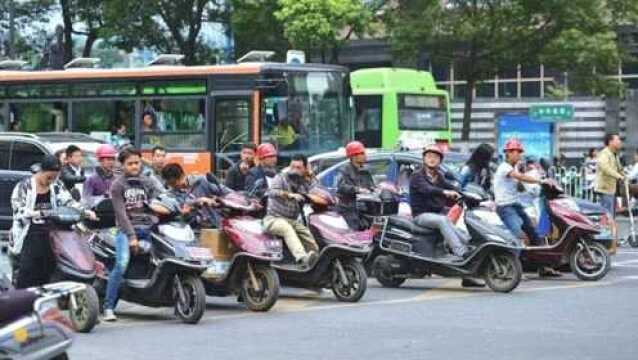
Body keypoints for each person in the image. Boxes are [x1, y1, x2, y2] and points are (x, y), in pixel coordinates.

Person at [10, 155, 96, 288]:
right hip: (28, 234)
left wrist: (85, 212)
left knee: (50, 268)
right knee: (28, 271)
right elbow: (19, 212)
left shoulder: (56, 185)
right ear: (41, 171)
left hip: (51, 233)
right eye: (48, 177)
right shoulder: (24, 186)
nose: (51, 181)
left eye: (54, 177)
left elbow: (69, 202)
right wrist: (39, 213)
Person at [103, 147, 160, 322]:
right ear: (123, 164)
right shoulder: (117, 185)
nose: (135, 166)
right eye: (130, 163)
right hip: (126, 230)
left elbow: (159, 200)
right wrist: (131, 236)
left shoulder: (148, 182)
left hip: (148, 228)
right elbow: (121, 214)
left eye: (137, 162)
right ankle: (108, 307)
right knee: (121, 264)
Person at [410, 145, 469, 261]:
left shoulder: (439, 176)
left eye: (436, 157)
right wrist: (445, 192)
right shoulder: (417, 176)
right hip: (421, 215)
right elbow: (427, 189)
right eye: (429, 156)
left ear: (440, 161)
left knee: (450, 223)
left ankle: (469, 245)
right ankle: (461, 252)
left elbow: (451, 187)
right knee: (443, 220)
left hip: (436, 214)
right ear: (424, 159)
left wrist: (468, 195)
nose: (432, 159)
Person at [263, 154, 319, 267]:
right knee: (286, 228)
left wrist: (311, 175)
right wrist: (289, 195)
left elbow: (316, 190)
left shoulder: (304, 181)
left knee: (305, 232)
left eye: (299, 167)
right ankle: (302, 258)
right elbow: (271, 192)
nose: (294, 170)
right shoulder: (281, 177)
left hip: (292, 220)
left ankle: (316, 260)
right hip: (274, 218)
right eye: (292, 166)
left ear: (305, 168)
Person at [158, 163, 229, 227]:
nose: (173, 186)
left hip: (216, 225)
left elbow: (226, 192)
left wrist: (217, 199)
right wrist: (196, 202)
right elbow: (180, 208)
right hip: (192, 231)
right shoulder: (172, 194)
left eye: (174, 182)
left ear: (182, 175)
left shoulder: (202, 181)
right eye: (170, 184)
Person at [336, 141, 375, 230]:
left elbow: (371, 186)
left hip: (364, 209)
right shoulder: (344, 170)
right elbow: (341, 187)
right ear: (353, 156)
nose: (365, 155)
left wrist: (375, 189)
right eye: (361, 153)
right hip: (348, 209)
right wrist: (358, 190)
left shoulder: (365, 171)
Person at [595, 133, 624, 219]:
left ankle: (610, 231)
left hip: (611, 189)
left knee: (611, 214)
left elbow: (619, 168)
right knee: (607, 215)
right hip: (605, 189)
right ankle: (606, 231)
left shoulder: (614, 154)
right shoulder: (604, 154)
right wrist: (618, 176)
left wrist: (624, 176)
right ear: (610, 142)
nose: (620, 142)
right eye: (617, 140)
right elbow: (605, 168)